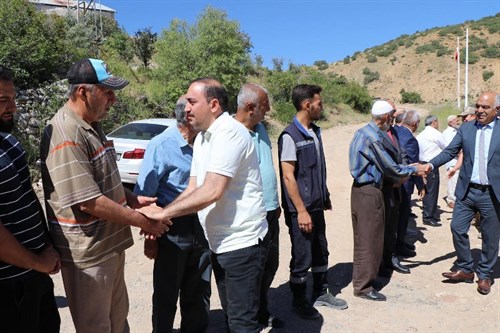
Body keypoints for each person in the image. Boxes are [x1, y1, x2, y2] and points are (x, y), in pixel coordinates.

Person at [40, 58, 170, 333]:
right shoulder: (66, 133)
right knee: (96, 327)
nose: (113, 99)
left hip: (107, 247)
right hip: (88, 255)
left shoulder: (91, 124)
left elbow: (100, 183)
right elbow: (88, 201)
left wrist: (133, 199)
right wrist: (142, 221)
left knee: (118, 322)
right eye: (107, 91)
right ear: (82, 92)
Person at [139, 78, 269, 333]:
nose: (185, 108)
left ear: (213, 105)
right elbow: (193, 189)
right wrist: (161, 219)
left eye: (191, 101)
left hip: (241, 244)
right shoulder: (203, 139)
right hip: (219, 242)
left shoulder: (230, 132)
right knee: (232, 317)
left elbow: (212, 191)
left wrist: (162, 213)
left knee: (242, 323)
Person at [134, 98, 211, 333]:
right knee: (166, 294)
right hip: (170, 226)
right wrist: (151, 239)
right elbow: (145, 196)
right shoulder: (161, 145)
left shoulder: (206, 142)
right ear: (188, 117)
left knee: (199, 291)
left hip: (203, 224)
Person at [278, 84, 347, 319]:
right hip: (301, 210)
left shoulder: (315, 131)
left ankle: (320, 292)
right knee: (302, 255)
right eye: (319, 103)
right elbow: (289, 176)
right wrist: (301, 211)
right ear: (307, 105)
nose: (322, 106)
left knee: (321, 251)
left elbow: (316, 168)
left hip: (316, 205)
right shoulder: (289, 136)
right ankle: (299, 300)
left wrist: (323, 194)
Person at [0, 65, 61, 332]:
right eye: (3, 99)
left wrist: (48, 246)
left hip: (36, 276)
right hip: (7, 287)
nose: (12, 107)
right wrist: (37, 261)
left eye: (12, 98)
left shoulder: (9, 142)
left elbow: (28, 197)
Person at [349, 100, 427, 301]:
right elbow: (390, 167)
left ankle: (368, 278)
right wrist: (414, 168)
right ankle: (363, 287)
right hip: (369, 191)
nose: (392, 122)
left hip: (368, 190)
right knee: (369, 240)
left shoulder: (363, 132)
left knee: (370, 237)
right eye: (391, 118)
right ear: (384, 117)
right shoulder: (373, 137)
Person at [427, 91, 500, 295]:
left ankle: (485, 274)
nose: (479, 110)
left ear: (497, 110)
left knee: (490, 236)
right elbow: (450, 152)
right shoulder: (466, 129)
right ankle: (466, 268)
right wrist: (430, 166)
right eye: (477, 106)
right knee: (457, 228)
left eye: (485, 107)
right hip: (467, 192)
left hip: (491, 194)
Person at [234, 83, 283, 329]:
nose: (269, 110)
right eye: (265, 106)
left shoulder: (261, 128)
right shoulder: (230, 134)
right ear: (251, 107)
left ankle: (262, 310)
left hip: (271, 211)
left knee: (270, 266)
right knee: (251, 271)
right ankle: (247, 319)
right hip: (251, 216)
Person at [378, 99, 411, 276]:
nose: (396, 114)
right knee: (381, 229)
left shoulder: (394, 132)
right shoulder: (374, 134)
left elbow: (402, 155)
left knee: (392, 227)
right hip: (384, 187)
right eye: (393, 111)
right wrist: (395, 177)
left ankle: (390, 259)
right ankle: (381, 264)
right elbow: (382, 164)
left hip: (397, 186)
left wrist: (403, 175)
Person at [393, 110, 425, 258]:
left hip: (392, 179)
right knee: (403, 214)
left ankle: (398, 242)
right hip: (404, 181)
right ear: (415, 124)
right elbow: (414, 165)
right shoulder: (410, 139)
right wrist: (420, 185)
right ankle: (398, 244)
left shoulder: (395, 130)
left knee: (396, 214)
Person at [416, 115, 448, 227]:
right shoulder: (436, 134)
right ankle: (428, 217)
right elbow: (447, 147)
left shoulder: (420, 135)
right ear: (434, 122)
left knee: (426, 189)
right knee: (432, 191)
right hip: (430, 165)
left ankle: (428, 213)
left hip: (421, 164)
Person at [442, 115, 460, 208]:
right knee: (452, 181)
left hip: (457, 160)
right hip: (453, 161)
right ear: (450, 122)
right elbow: (451, 147)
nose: (458, 122)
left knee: (456, 181)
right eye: (456, 121)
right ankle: (451, 200)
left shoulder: (456, 131)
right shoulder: (448, 133)